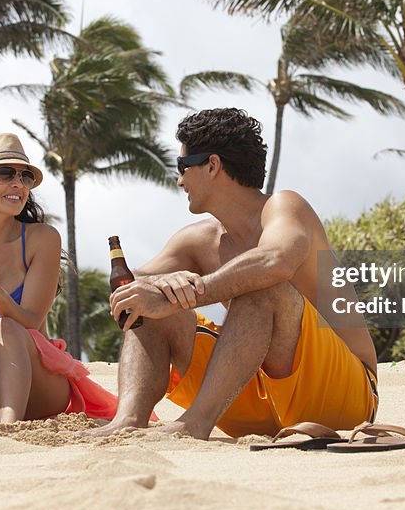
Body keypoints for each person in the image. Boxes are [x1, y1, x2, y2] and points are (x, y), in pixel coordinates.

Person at [96, 108, 378, 439]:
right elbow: (130, 287)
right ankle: (127, 421)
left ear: (213, 165)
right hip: (252, 398)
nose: (179, 180)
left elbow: (276, 261)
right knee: (149, 304)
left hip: (341, 396)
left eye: (183, 167)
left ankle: (194, 424)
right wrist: (154, 286)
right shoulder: (197, 240)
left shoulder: (285, 207)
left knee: (263, 285)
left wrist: (182, 292)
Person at [0, 133, 118, 428]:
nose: (18, 184)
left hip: (32, 383)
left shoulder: (42, 238)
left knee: (8, 326)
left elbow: (32, 322)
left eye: (25, 176)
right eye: (5, 173)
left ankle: (10, 425)